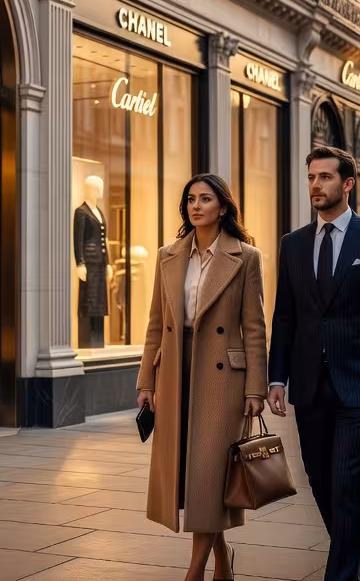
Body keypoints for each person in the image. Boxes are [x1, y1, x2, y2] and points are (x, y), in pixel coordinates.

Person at [268, 146, 360, 581]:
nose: (316, 185)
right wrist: (277, 377)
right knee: (318, 477)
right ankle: (351, 548)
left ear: (348, 184)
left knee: (348, 480)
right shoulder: (292, 244)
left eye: (325, 177)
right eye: (311, 177)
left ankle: (342, 573)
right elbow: (285, 315)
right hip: (309, 381)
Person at [135, 174, 267, 581]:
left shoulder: (246, 257)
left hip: (222, 378)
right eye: (190, 199)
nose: (196, 206)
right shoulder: (168, 255)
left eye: (205, 199)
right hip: (175, 371)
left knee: (209, 473)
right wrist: (146, 381)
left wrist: (256, 388)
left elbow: (255, 328)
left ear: (222, 207)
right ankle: (223, 559)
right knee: (193, 477)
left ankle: (194, 571)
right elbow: (155, 323)